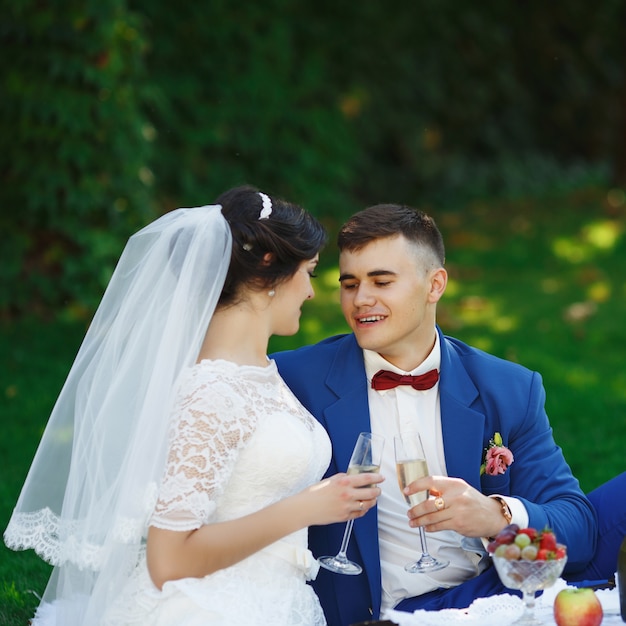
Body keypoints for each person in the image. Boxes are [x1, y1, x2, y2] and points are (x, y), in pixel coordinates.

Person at [3, 185, 383, 626]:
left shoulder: (261, 374)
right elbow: (168, 560)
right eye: (309, 273)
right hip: (209, 608)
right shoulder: (213, 391)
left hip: (272, 600)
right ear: (268, 269)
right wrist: (308, 508)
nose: (311, 293)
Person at [273, 203, 624, 626]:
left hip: (492, 589)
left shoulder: (509, 387)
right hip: (389, 612)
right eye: (350, 284)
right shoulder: (295, 379)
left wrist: (496, 515)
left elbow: (578, 527)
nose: (361, 299)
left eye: (381, 281)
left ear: (434, 284)